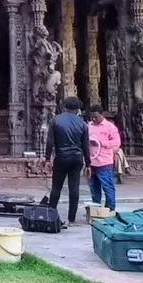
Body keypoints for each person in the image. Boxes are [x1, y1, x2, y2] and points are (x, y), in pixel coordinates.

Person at [45, 96, 90, 226]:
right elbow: (85, 145)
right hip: (77, 158)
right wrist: (88, 164)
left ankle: (51, 214)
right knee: (74, 188)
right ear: (78, 109)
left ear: (64, 106)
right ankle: (72, 219)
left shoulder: (55, 120)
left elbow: (50, 142)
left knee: (56, 187)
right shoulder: (82, 124)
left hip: (61, 157)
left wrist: (47, 158)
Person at [86, 105, 121, 211]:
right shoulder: (88, 126)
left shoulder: (110, 127)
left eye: (96, 117)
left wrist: (102, 143)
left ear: (102, 115)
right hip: (91, 162)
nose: (94, 119)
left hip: (104, 162)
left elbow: (116, 142)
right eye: (92, 117)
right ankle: (96, 208)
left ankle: (110, 208)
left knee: (107, 186)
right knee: (94, 187)